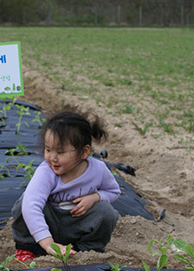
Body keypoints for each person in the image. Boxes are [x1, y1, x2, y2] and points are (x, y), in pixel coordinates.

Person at [11, 111, 120, 261]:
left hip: (78, 224)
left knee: (106, 212)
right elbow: (32, 205)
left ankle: (86, 250)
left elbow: (113, 191)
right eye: (48, 150)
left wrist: (95, 197)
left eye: (60, 152)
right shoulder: (46, 172)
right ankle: (29, 248)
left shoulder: (98, 170)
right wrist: (48, 243)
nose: (52, 158)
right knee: (25, 203)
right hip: (49, 223)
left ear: (84, 152)